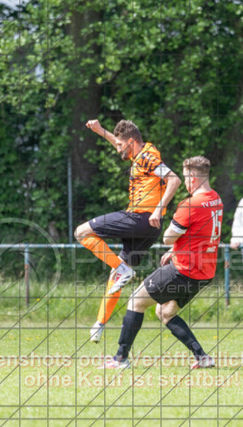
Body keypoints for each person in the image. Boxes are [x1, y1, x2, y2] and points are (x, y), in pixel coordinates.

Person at [101, 156, 223, 369]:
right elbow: (199, 233)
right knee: (165, 312)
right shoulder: (216, 200)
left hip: (183, 270)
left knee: (135, 301)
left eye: (185, 178)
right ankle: (202, 357)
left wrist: (168, 238)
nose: (185, 183)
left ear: (192, 177)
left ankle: (120, 359)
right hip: (204, 273)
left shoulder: (190, 204)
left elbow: (168, 237)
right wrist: (176, 250)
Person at [75, 119, 181, 343]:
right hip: (149, 228)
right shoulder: (140, 153)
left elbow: (174, 180)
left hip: (140, 218)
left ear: (132, 142)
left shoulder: (148, 157)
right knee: (116, 275)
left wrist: (158, 209)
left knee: (81, 232)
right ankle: (100, 323)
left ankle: (122, 270)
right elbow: (119, 142)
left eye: (120, 145)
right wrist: (101, 131)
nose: (117, 149)